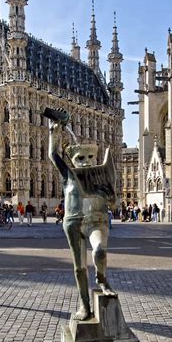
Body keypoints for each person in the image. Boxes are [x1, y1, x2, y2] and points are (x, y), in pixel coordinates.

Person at [48, 109, 116, 321]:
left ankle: (102, 278)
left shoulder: (99, 178)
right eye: (80, 158)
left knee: (100, 251)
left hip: (95, 220)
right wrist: (54, 134)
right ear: (74, 160)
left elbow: (113, 203)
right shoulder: (68, 175)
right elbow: (52, 155)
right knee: (79, 267)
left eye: (89, 157)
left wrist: (109, 196)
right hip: (73, 221)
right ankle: (84, 306)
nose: (85, 162)